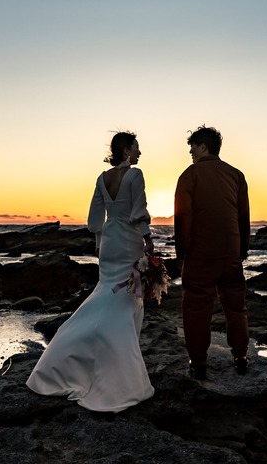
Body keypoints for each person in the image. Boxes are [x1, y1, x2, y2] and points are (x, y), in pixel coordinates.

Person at [26, 131, 155, 411]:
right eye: (136, 148)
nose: (139, 153)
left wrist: (98, 242)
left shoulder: (101, 178)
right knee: (126, 296)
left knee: (105, 292)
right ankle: (117, 367)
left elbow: (96, 215)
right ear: (125, 151)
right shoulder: (135, 175)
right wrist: (147, 237)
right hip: (129, 239)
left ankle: (68, 356)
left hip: (110, 241)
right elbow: (138, 210)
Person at [173, 125, 250, 380]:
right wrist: (242, 250)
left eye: (192, 147)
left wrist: (181, 253)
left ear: (203, 146)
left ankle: (198, 362)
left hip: (200, 254)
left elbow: (183, 217)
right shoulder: (236, 175)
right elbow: (243, 217)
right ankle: (240, 356)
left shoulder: (190, 174)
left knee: (196, 308)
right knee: (236, 307)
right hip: (230, 253)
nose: (191, 152)